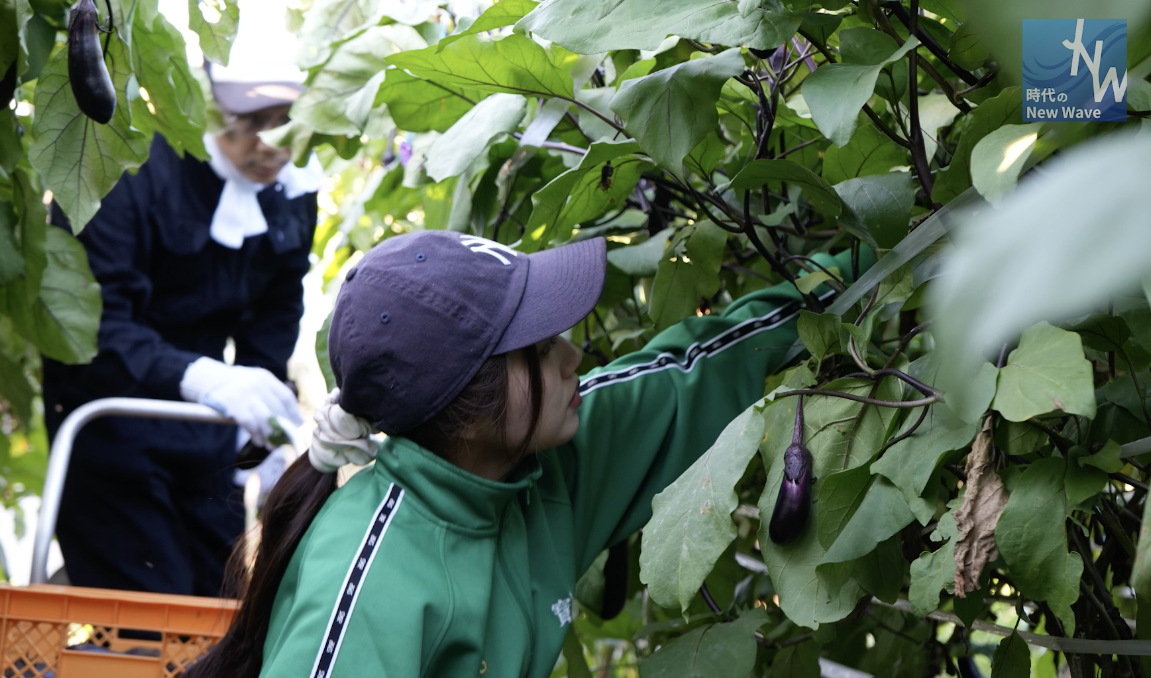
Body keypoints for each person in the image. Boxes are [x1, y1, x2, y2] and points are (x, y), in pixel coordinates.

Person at [186, 230, 856, 677]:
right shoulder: (370, 583)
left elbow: (698, 366)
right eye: (538, 349)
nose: (573, 356)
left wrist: (879, 270)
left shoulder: (547, 463)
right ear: (465, 406)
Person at [42, 54, 321, 596]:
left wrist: (253, 441)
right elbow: (94, 327)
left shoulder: (293, 194)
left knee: (219, 604)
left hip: (203, 436)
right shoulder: (127, 170)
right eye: (251, 122)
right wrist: (207, 379)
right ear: (210, 107)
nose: (270, 144)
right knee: (147, 598)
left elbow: (277, 310)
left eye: (285, 121)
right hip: (111, 417)